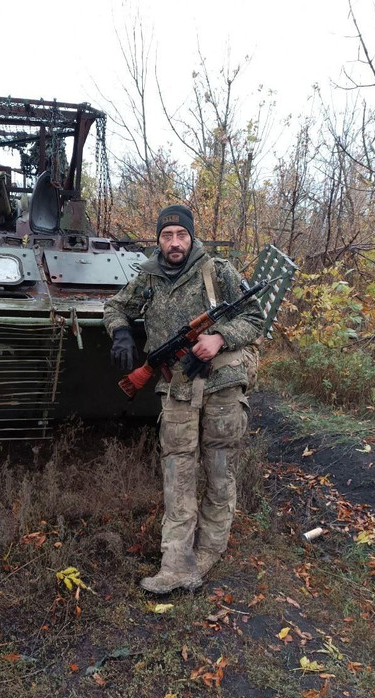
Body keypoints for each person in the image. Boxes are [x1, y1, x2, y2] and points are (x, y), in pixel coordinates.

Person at [103, 205, 265, 594]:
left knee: (220, 470)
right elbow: (115, 306)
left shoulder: (217, 271)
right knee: (178, 472)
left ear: (191, 237)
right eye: (167, 235)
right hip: (176, 387)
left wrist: (220, 337)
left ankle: (209, 552)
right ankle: (176, 564)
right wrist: (120, 331)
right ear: (158, 240)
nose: (174, 243)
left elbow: (255, 319)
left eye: (181, 235)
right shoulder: (148, 277)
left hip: (223, 386)